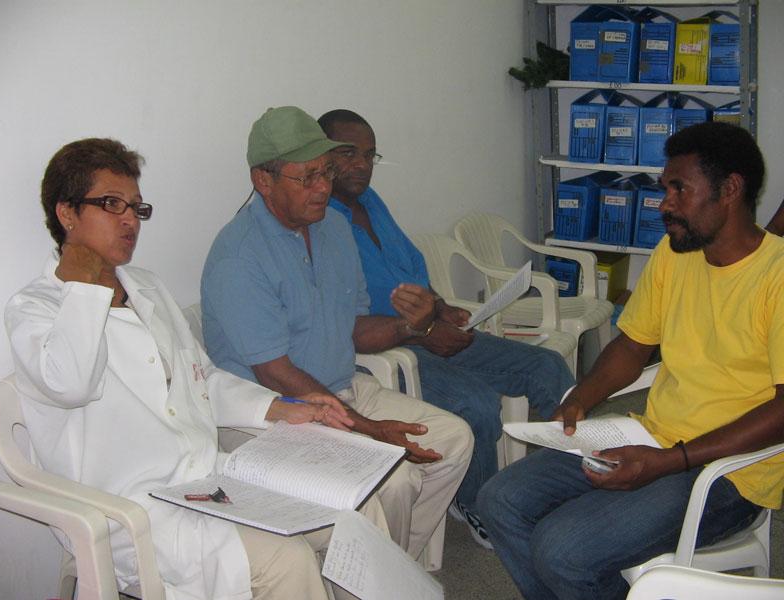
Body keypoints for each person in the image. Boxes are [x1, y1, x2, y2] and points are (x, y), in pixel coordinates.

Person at [5, 137, 389, 600]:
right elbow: (72, 384)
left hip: (208, 476)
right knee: (286, 561)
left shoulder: (145, 287)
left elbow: (201, 378)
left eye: (136, 207)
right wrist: (85, 284)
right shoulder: (34, 309)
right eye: (112, 204)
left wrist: (280, 408)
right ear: (67, 213)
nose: (130, 220)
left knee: (354, 507)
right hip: (131, 507)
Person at [476, 121, 784, 600]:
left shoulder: (776, 277)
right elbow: (633, 346)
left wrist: (671, 460)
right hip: (652, 436)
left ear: (730, 190)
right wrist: (581, 398)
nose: (665, 204)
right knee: (499, 500)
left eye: (679, 189)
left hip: (730, 473)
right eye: (665, 189)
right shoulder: (676, 254)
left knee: (561, 550)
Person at [200, 106, 474, 561]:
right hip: (273, 415)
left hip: (343, 389)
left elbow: (355, 329)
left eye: (326, 171)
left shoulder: (334, 227)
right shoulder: (239, 257)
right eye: (306, 177)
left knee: (454, 440)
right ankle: (380, 575)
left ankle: (391, 568)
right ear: (263, 180)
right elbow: (274, 372)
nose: (324, 187)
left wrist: (411, 325)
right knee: (395, 479)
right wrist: (368, 430)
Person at [316, 109, 575, 546]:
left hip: (427, 330)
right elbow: (344, 320)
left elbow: (412, 268)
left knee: (547, 367)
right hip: (386, 350)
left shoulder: (370, 202)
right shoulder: (320, 220)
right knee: (476, 404)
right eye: (347, 153)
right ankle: (476, 503)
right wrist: (423, 332)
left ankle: (566, 478)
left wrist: (441, 307)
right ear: (320, 154)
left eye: (369, 155)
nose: (361, 165)